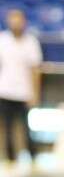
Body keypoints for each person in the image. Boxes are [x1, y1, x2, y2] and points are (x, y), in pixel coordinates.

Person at [0, 9, 42, 164]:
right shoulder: (3, 40)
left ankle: (33, 158)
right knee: (7, 127)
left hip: (24, 92)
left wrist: (35, 93)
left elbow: (35, 70)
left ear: (24, 21)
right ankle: (11, 159)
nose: (15, 23)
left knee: (27, 128)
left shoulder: (31, 42)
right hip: (5, 91)